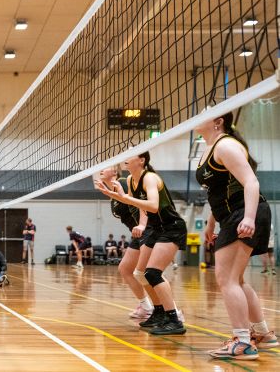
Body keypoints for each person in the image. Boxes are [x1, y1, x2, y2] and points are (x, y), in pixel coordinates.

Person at [195, 112, 276, 359]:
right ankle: (262, 334)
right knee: (236, 279)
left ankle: (242, 342)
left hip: (245, 213)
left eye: (205, 114)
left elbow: (251, 182)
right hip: (233, 214)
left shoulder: (226, 145)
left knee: (226, 279)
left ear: (218, 122)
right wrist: (211, 224)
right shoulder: (209, 150)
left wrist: (249, 217)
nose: (198, 117)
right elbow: (219, 193)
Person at [99, 151, 187, 335]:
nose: (125, 157)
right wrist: (139, 221)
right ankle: (159, 311)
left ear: (141, 160)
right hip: (154, 229)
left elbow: (153, 205)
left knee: (152, 273)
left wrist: (123, 198)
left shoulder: (150, 178)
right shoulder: (131, 179)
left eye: (130, 155)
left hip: (171, 227)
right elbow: (138, 206)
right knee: (140, 273)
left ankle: (174, 318)